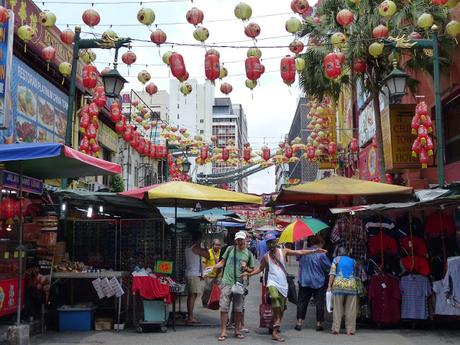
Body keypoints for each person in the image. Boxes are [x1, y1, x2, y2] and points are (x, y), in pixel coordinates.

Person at [245, 233, 327, 342]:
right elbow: (260, 269)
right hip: (272, 282)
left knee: (281, 308)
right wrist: (249, 274)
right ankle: (277, 320)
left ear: (276, 242)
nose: (271, 245)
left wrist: (314, 251)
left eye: (272, 242)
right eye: (269, 243)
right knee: (274, 298)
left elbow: (299, 252)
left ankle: (275, 331)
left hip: (283, 284)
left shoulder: (283, 252)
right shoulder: (266, 256)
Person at [208, 230, 255, 341]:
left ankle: (237, 330)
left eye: (241, 239)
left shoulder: (248, 254)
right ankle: (224, 331)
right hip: (226, 282)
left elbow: (252, 270)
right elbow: (222, 262)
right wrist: (213, 267)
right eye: (238, 240)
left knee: (238, 309)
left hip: (240, 284)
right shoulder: (229, 249)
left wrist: (246, 268)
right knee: (224, 307)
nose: (240, 242)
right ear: (235, 240)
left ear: (245, 240)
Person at [295, 235, 331, 331]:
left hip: (304, 280)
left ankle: (299, 322)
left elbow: (300, 264)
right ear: (320, 243)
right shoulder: (321, 254)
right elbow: (328, 267)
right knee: (319, 303)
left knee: (302, 302)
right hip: (317, 281)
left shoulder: (304, 253)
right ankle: (318, 324)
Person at [327, 247, 358, 335]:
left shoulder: (336, 259)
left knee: (337, 309)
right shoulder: (353, 261)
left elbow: (332, 273)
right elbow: (355, 273)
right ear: (347, 253)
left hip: (338, 286)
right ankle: (350, 330)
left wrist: (329, 285)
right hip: (351, 286)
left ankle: (336, 329)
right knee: (351, 309)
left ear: (338, 253)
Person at [184, 231, 210, 324]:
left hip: (190, 273)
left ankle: (190, 315)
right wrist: (206, 246)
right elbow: (208, 256)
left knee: (191, 295)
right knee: (193, 295)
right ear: (199, 239)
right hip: (194, 274)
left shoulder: (188, 247)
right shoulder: (196, 248)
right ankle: (190, 317)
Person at [201, 238, 222, 307]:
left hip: (218, 275)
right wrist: (204, 272)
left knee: (218, 290)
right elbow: (204, 262)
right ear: (213, 245)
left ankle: (215, 303)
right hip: (209, 275)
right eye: (216, 245)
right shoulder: (208, 252)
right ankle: (204, 301)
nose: (218, 246)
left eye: (219, 245)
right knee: (207, 290)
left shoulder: (221, 253)